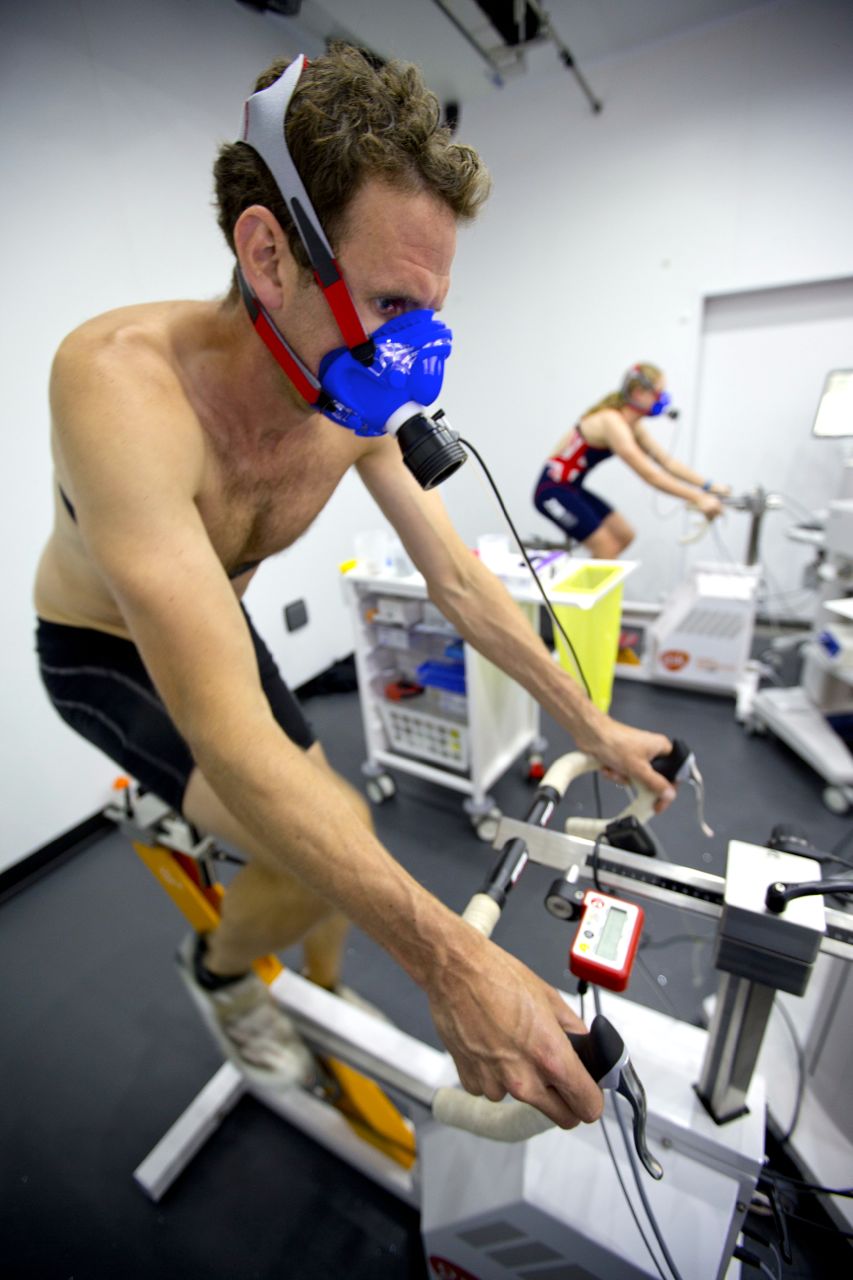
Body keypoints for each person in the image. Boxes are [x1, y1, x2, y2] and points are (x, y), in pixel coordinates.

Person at [34, 45, 676, 1131]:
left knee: (329, 841)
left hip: (210, 621)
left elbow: (463, 591)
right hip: (103, 648)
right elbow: (230, 733)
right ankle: (224, 972)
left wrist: (596, 725)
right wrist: (450, 961)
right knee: (320, 836)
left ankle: (312, 990)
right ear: (267, 250)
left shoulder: (348, 392)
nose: (414, 350)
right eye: (389, 300)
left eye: (430, 308)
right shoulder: (120, 386)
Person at [533, 363, 730, 558]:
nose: (663, 399)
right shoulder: (612, 422)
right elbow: (651, 476)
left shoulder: (632, 426)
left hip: (572, 488)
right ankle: (583, 589)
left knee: (625, 536)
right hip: (552, 491)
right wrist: (698, 498)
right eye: (658, 393)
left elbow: (667, 463)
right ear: (638, 393)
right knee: (606, 547)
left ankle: (589, 585)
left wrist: (710, 486)